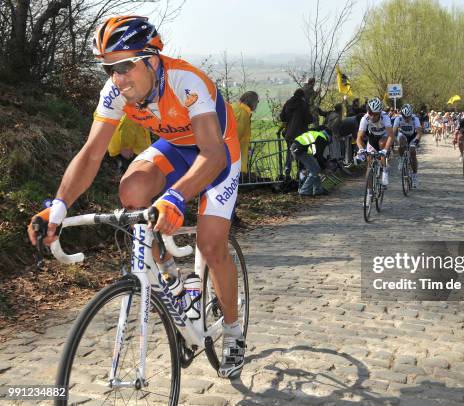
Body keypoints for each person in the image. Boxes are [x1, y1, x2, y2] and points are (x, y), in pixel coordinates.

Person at [26, 16, 246, 378]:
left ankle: (234, 332)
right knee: (132, 192)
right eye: (109, 68)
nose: (118, 77)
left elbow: (213, 154)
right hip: (175, 148)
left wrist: (176, 197)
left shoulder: (186, 81)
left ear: (152, 60)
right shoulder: (115, 93)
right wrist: (59, 206)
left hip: (218, 152)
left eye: (125, 66)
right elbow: (91, 154)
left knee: (210, 245)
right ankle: (169, 275)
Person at [355, 97, 394, 188]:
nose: (372, 116)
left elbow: (391, 136)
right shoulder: (365, 118)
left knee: (381, 145)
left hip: (383, 136)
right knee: (369, 164)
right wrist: (361, 149)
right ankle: (369, 192)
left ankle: (384, 171)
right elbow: (358, 138)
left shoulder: (385, 118)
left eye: (375, 114)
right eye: (370, 113)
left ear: (380, 113)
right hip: (372, 137)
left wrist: (385, 150)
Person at [280, 88, 312, 179]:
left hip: (289, 133)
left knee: (290, 151)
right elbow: (309, 119)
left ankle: (287, 170)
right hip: (301, 134)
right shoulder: (303, 104)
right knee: (300, 153)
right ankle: (300, 174)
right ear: (303, 96)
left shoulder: (288, 103)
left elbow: (282, 117)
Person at [290, 129, 330, 196]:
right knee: (315, 170)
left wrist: (322, 166)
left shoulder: (317, 134)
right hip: (300, 150)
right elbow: (318, 155)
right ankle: (304, 191)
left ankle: (318, 190)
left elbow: (315, 154)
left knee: (316, 169)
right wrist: (324, 167)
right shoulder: (322, 138)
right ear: (328, 137)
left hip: (297, 148)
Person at [393, 104, 423, 187]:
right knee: (401, 140)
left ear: (411, 115)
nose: (406, 119)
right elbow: (393, 132)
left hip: (413, 136)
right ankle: (401, 159)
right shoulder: (398, 119)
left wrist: (416, 142)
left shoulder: (415, 119)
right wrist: (395, 142)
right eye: (404, 117)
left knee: (413, 152)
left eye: (408, 117)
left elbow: (419, 133)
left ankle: (414, 176)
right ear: (401, 115)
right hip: (402, 135)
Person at [232, 91, 259, 175]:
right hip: (233, 157)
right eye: (257, 101)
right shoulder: (242, 113)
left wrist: (248, 147)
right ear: (252, 101)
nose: (257, 103)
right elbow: (237, 135)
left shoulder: (237, 108)